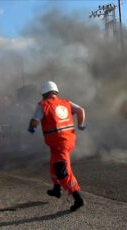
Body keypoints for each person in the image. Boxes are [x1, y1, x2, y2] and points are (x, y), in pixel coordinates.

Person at [28, 81, 86, 212]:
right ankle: (56, 189)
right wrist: (81, 125)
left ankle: (78, 198)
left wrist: (31, 127)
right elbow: (81, 110)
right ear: (55, 92)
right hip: (67, 140)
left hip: (59, 144)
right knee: (54, 164)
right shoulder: (66, 102)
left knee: (63, 171)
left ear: (44, 94)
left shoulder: (43, 105)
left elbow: (34, 122)